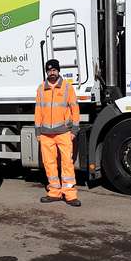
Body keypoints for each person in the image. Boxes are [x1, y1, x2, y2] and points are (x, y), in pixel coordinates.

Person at [35, 59, 81, 207]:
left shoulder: (67, 87)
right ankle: (54, 192)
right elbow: (38, 111)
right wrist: (37, 131)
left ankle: (70, 194)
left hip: (64, 133)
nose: (52, 72)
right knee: (49, 164)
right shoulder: (41, 88)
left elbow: (75, 109)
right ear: (46, 72)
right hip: (46, 133)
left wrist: (74, 129)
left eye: (54, 70)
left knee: (67, 163)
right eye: (49, 70)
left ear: (58, 71)